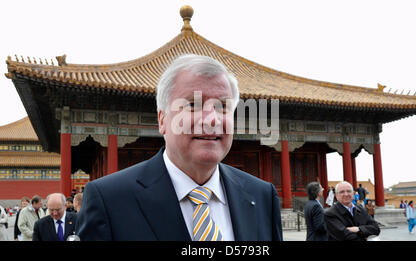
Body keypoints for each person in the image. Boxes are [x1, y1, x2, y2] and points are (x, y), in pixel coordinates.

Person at [76, 54, 283, 241]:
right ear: (163, 120)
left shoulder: (262, 196)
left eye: (223, 106)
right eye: (193, 104)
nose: (212, 119)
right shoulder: (110, 200)